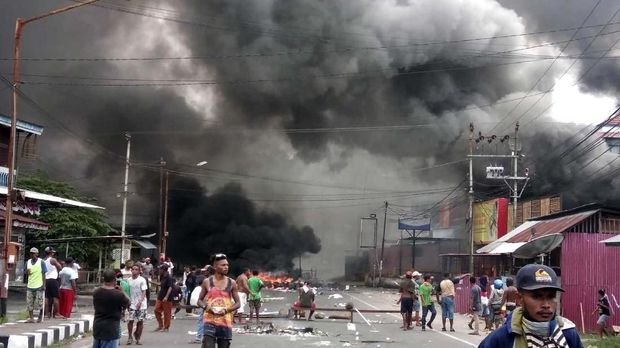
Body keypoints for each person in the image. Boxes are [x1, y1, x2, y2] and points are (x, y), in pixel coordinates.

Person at [479, 264, 583, 348]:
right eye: (537, 297)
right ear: (519, 298)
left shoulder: (568, 333)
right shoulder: (501, 339)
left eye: (551, 297)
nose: (546, 305)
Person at [197, 253, 241, 348]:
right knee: (208, 345)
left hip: (225, 321)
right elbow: (199, 301)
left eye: (227, 265)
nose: (226, 267)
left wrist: (226, 310)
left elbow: (238, 303)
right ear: (215, 267)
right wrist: (207, 307)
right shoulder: (207, 281)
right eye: (223, 265)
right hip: (210, 320)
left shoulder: (232, 283)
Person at [92, 269, 130, 348]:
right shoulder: (118, 294)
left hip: (98, 327)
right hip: (111, 329)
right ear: (115, 279)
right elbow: (128, 303)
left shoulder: (96, 292)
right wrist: (122, 291)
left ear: (103, 279)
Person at [126, 264, 148, 345]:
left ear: (139, 271)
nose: (134, 271)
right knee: (130, 320)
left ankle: (138, 337)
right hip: (132, 303)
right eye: (133, 269)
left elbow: (144, 292)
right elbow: (127, 291)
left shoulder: (142, 280)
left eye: (136, 269)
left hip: (141, 304)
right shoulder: (128, 280)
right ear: (131, 270)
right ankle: (129, 337)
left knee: (140, 321)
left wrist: (140, 302)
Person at [25, 247, 47, 323]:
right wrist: (27, 272)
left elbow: (44, 274)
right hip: (30, 285)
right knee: (29, 303)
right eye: (31, 253)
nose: (32, 255)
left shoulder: (41, 262)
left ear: (37, 254)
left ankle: (40, 316)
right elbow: (26, 273)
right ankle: (31, 318)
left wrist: (44, 285)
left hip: (39, 285)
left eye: (34, 253)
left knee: (39, 303)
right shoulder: (28, 262)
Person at [152, 264, 175, 332]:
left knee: (167, 313)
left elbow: (170, 287)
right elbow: (161, 284)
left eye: (160, 269)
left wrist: (166, 296)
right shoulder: (162, 276)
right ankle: (160, 325)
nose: (159, 270)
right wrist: (152, 282)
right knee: (156, 310)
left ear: (164, 270)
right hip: (160, 296)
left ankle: (166, 327)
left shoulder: (169, 277)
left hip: (167, 297)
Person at [43, 246, 63, 319]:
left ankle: (46, 314)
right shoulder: (52, 260)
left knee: (46, 298)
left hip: (45, 280)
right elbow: (60, 267)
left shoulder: (43, 260)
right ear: (51, 253)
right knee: (56, 297)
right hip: (53, 280)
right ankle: (57, 313)